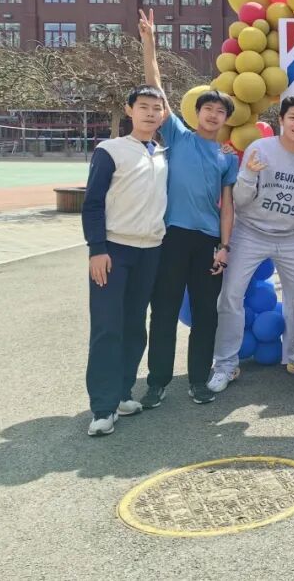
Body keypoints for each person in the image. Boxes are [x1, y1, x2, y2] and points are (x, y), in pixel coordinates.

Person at [138, 9, 238, 407]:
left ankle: (198, 380)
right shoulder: (178, 135)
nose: (213, 115)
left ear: (226, 119)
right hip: (171, 237)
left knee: (205, 315)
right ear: (197, 113)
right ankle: (157, 382)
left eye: (220, 111)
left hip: (208, 242)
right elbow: (155, 88)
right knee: (163, 312)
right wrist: (149, 44)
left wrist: (224, 247)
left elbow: (227, 207)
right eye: (208, 109)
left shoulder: (227, 157)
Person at [210, 95, 294, 392]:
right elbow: (240, 200)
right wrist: (250, 175)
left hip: (292, 238)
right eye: (293, 117)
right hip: (250, 233)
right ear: (281, 120)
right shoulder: (260, 149)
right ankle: (225, 364)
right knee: (230, 296)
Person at [81, 85, 168, 436]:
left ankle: (121, 394)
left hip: (151, 250)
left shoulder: (164, 154)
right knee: (107, 327)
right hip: (114, 251)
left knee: (134, 326)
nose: (150, 113)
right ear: (129, 110)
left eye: (156, 108)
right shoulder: (110, 150)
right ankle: (102, 408)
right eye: (143, 106)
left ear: (163, 114)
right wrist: (96, 248)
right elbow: (92, 203)